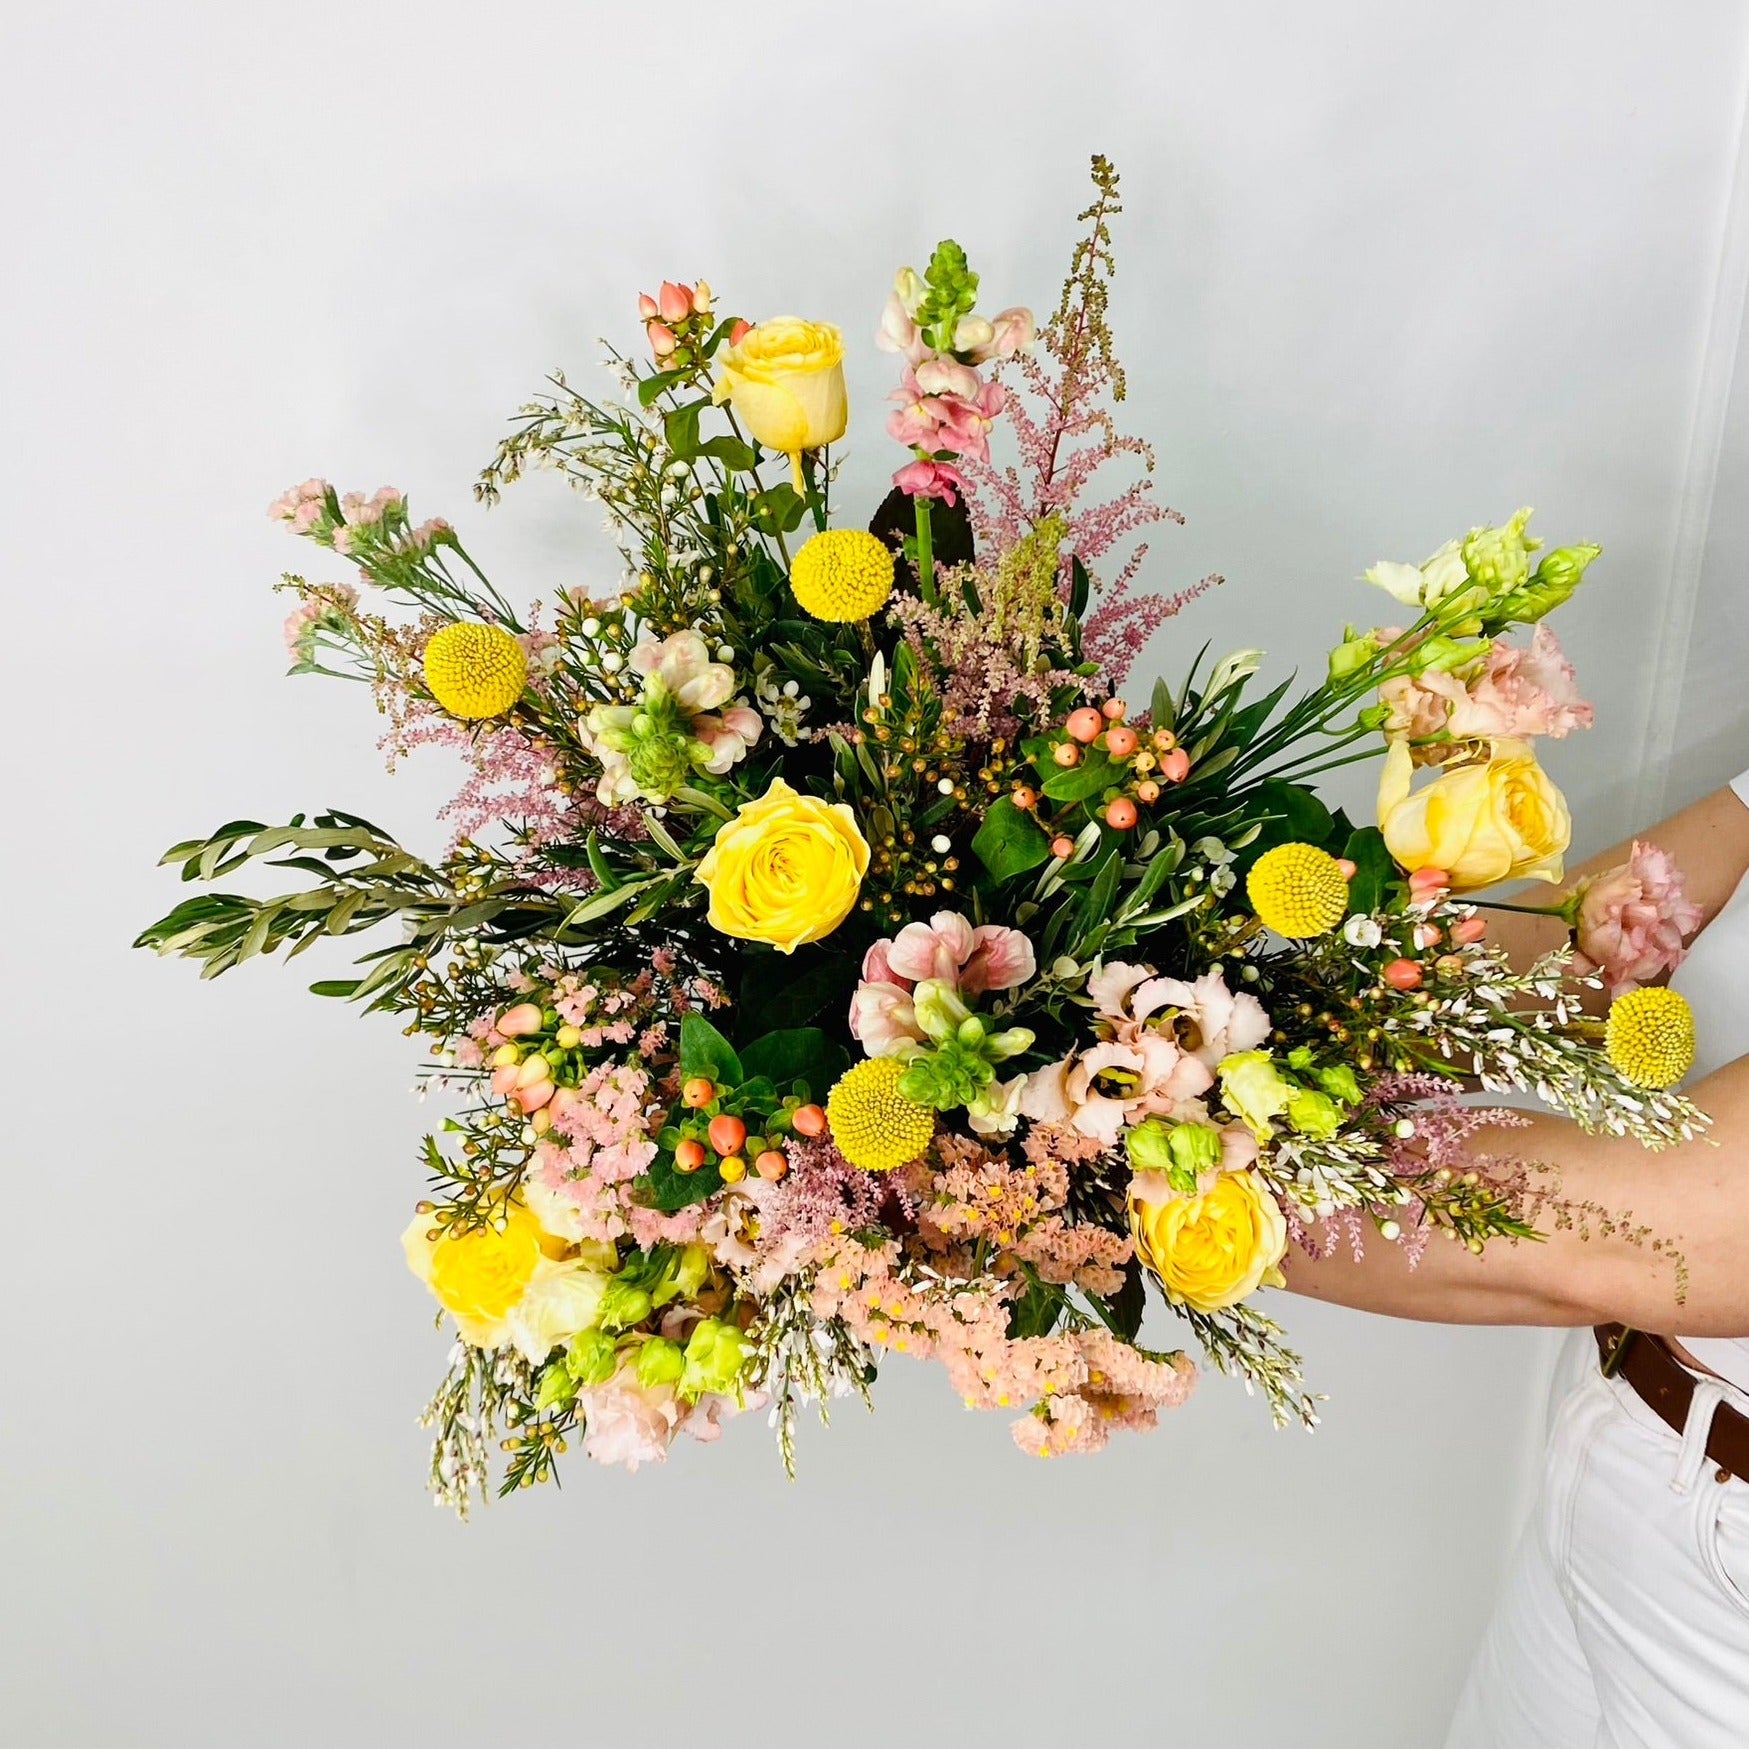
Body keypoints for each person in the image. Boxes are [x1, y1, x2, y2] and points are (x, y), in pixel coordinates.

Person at [1284, 774, 1749, 1746]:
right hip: (1634, 1421)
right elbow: (1613, 935)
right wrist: (1175, 1003)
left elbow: (1636, 1234)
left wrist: (1105, 1155)